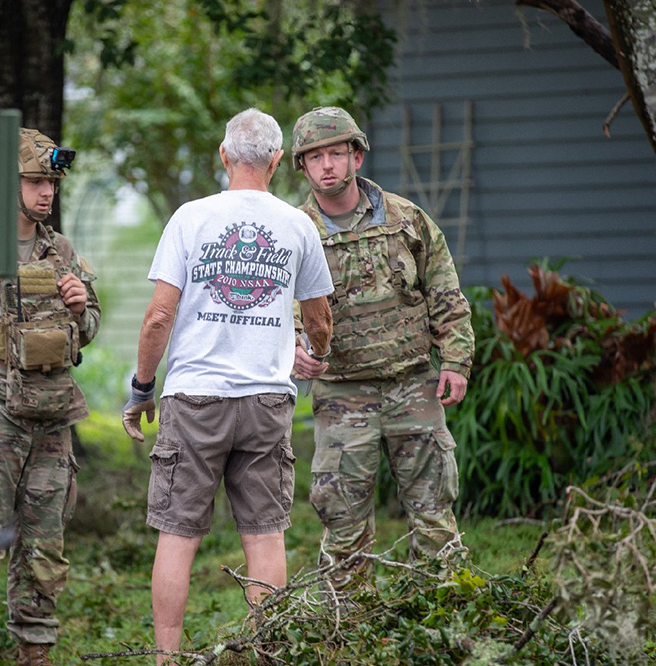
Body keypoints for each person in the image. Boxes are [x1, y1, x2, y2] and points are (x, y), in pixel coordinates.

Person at [121, 107, 334, 664]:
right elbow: (320, 318)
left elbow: (158, 318)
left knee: (178, 534)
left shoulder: (190, 219)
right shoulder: (297, 225)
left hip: (195, 401)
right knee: (264, 535)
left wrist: (142, 387)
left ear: (223, 156)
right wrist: (313, 355)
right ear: (277, 160)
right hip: (267, 401)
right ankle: (267, 654)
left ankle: (167, 659)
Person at [290, 106, 474, 587]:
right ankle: (349, 633)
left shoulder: (407, 219)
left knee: (435, 513)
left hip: (413, 385)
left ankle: (443, 618)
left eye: (336, 153)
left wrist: (455, 360)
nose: (327, 165)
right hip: (341, 394)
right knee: (344, 524)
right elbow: (273, 306)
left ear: (357, 157)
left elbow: (445, 292)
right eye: (315, 157)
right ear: (303, 166)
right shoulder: (292, 231)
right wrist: (289, 345)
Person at [0, 128, 100, 666]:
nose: (47, 193)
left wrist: (82, 307)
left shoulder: (59, 250)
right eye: (37, 181)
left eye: (53, 184)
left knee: (44, 553)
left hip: (51, 419)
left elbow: (89, 328)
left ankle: (33, 657)